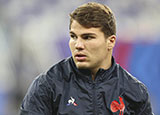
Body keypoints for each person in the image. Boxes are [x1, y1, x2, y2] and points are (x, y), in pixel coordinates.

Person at [20, 2, 154, 115]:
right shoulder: (48, 86)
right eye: (73, 36)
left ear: (111, 41)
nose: (78, 45)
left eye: (87, 37)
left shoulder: (134, 91)